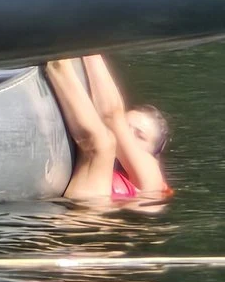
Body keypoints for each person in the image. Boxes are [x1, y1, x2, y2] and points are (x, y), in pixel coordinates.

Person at [44, 54, 171, 205]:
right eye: (127, 126)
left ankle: (58, 62)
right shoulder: (107, 161)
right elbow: (112, 117)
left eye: (140, 136)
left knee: (102, 145)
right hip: (84, 216)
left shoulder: (152, 180)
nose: (127, 135)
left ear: (153, 154)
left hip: (87, 223)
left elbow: (112, 117)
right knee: (104, 143)